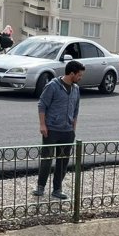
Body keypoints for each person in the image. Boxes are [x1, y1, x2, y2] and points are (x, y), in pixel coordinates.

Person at [33, 60, 84, 200]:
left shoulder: (76, 89)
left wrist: (73, 128)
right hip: (51, 130)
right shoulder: (53, 86)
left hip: (67, 131)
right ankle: (40, 187)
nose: (80, 78)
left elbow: (76, 110)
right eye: (79, 75)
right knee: (47, 159)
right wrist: (42, 125)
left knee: (63, 161)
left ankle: (57, 188)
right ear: (72, 73)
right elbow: (42, 105)